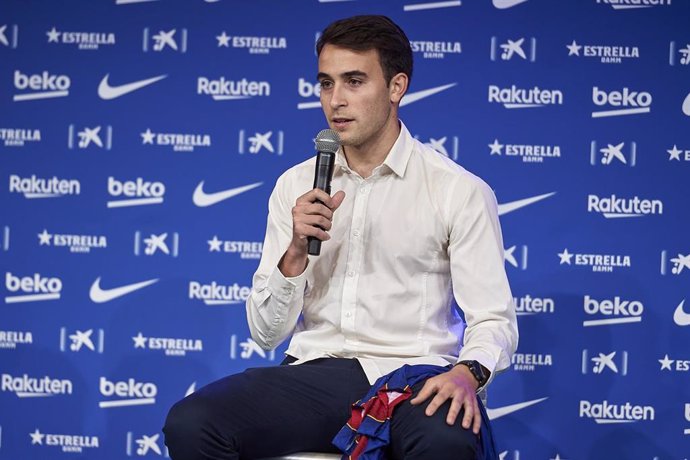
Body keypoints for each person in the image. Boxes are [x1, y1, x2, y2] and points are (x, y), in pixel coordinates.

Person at [164, 15, 518, 460]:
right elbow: (265, 333)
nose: (336, 101)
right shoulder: (296, 185)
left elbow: (492, 319)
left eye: (354, 81)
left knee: (447, 441)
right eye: (326, 84)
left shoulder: (457, 189)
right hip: (317, 376)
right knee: (192, 424)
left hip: (414, 378)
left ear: (396, 87)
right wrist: (294, 253)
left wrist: (469, 372)